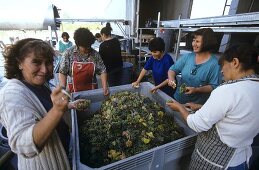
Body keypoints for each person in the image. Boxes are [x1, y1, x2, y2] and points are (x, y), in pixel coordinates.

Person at [166, 44, 259, 169]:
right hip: (241, 160)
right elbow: (235, 115)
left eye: (223, 66)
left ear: (235, 62)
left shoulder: (227, 90)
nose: (221, 71)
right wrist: (200, 107)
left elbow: (196, 124)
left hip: (215, 162)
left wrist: (179, 107)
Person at [0, 38, 84, 169]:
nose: (44, 70)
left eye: (48, 62)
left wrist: (68, 106)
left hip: (65, 154)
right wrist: (58, 110)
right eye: (36, 62)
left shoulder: (39, 85)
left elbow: (45, 111)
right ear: (19, 63)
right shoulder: (11, 94)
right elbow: (24, 146)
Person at [168, 28, 221, 105]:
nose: (194, 44)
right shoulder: (188, 57)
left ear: (207, 43)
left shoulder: (214, 64)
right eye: (193, 41)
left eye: (197, 41)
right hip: (178, 99)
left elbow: (214, 86)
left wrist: (197, 90)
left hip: (196, 106)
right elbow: (172, 70)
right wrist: (171, 79)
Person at [59, 28, 109, 95]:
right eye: (85, 47)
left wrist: (105, 86)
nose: (88, 48)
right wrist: (62, 89)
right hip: (73, 91)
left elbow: (102, 70)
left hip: (92, 90)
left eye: (89, 46)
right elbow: (63, 72)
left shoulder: (95, 54)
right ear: (78, 44)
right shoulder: (68, 53)